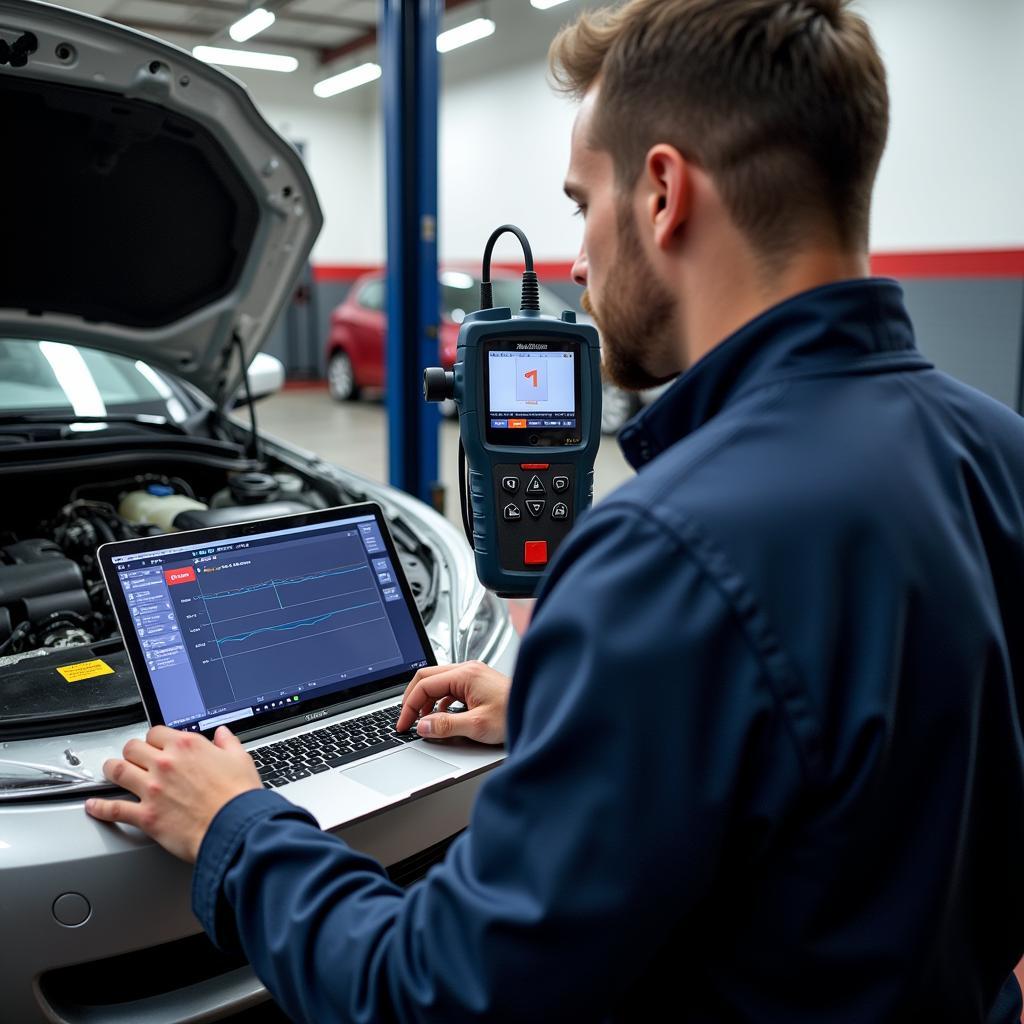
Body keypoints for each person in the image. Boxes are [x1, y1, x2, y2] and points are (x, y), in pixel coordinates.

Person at [86, 1, 1024, 1020]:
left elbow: (434, 996)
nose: (576, 258)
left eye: (583, 202)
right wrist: (565, 712)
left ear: (663, 193)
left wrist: (237, 824)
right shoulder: (996, 452)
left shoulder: (664, 550)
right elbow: (862, 756)